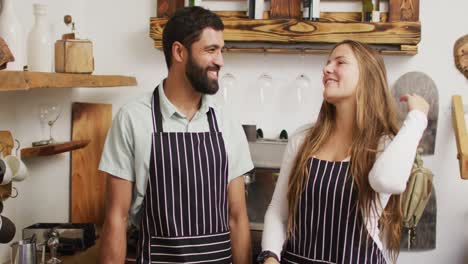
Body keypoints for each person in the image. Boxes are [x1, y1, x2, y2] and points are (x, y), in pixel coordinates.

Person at [98, 7, 253, 263]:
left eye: (221, 50)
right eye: (210, 50)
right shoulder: (133, 119)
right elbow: (117, 218)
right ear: (179, 52)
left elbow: (237, 218)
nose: (220, 61)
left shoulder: (226, 122)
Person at [258, 40, 429, 264]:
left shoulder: (384, 143)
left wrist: (417, 118)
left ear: (367, 76)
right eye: (328, 63)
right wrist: (270, 256)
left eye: (340, 62)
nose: (327, 69)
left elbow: (386, 181)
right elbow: (278, 210)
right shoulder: (303, 140)